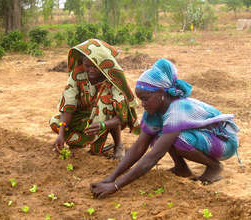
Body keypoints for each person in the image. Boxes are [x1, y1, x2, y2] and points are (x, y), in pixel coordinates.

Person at [90, 58, 239, 198]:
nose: (143, 104)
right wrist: (111, 178)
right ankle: (181, 168)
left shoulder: (177, 110)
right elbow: (139, 146)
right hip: (203, 137)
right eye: (141, 99)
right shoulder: (154, 110)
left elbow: (153, 156)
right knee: (159, 136)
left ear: (161, 93)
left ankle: (214, 167)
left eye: (146, 99)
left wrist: (116, 186)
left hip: (224, 142)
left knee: (176, 139)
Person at [50, 39, 140, 160]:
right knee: (56, 123)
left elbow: (121, 116)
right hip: (84, 118)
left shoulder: (113, 79)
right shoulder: (77, 74)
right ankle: (79, 144)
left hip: (107, 119)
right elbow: (68, 105)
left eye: (95, 66)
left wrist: (103, 125)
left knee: (106, 103)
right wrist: (61, 134)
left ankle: (118, 145)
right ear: (82, 63)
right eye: (87, 66)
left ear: (102, 64)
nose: (91, 70)